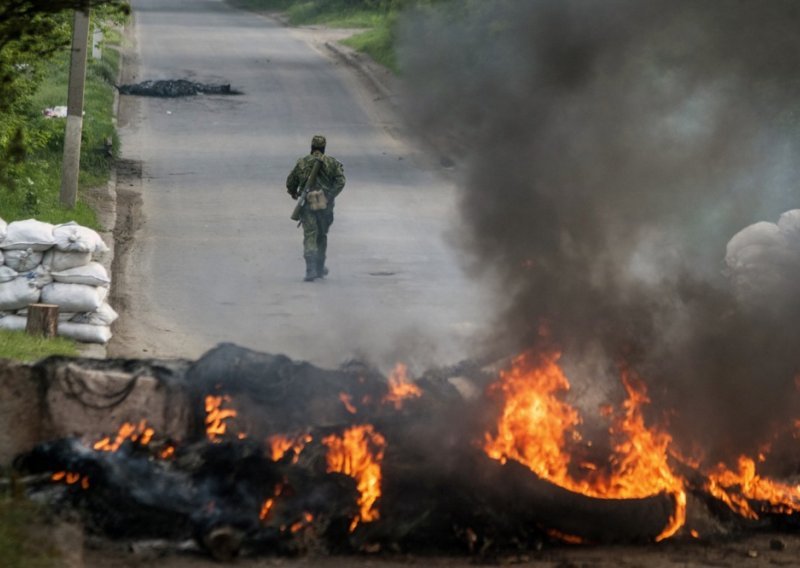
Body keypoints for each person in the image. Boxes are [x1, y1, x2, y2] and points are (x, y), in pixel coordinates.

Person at [286, 135, 346, 281]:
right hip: (325, 205)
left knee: (310, 234)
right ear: (324, 148)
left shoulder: (302, 162)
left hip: (307, 203)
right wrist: (329, 195)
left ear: (311, 147)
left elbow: (291, 181)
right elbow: (341, 181)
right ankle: (319, 267)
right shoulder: (332, 163)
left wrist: (294, 193)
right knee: (322, 235)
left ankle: (310, 269)